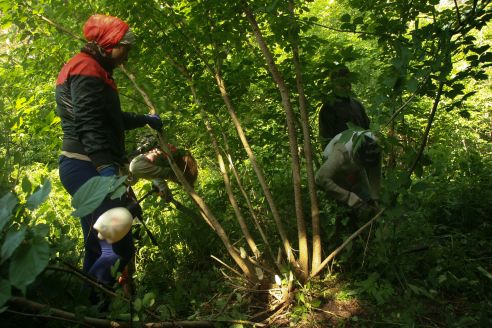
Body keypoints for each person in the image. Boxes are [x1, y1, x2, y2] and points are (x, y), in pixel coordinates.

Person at [55, 14, 163, 293]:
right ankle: (93, 304)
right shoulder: (85, 67)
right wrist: (105, 169)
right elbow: (88, 122)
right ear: (109, 43)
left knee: (107, 241)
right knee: (114, 243)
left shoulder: (96, 70)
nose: (126, 57)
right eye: (124, 49)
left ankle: (92, 306)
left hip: (93, 165)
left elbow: (111, 119)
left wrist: (145, 119)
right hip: (84, 165)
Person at [315, 131, 381, 213]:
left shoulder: (374, 149)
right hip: (338, 169)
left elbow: (375, 175)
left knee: (366, 195)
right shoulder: (340, 152)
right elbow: (320, 178)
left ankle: (370, 213)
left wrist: (375, 199)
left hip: (356, 164)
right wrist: (348, 197)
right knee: (346, 200)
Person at [318, 66, 370, 151]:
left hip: (361, 156)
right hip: (341, 157)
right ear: (333, 84)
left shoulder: (357, 105)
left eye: (348, 83)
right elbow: (326, 142)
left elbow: (367, 131)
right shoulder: (328, 108)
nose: (346, 87)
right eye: (342, 84)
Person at [129, 141, 198, 199]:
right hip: (137, 164)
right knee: (165, 173)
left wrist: (166, 195)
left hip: (135, 165)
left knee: (160, 176)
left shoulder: (157, 166)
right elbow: (164, 175)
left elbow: (159, 180)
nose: (171, 146)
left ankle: (167, 193)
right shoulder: (172, 156)